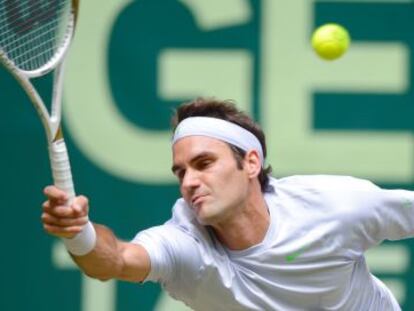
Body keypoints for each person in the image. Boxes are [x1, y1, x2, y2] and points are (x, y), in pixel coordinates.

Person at [41, 97, 412, 311]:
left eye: (204, 164)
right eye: (180, 171)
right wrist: (79, 234)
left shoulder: (335, 207)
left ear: (250, 163)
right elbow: (116, 260)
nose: (189, 182)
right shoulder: (187, 247)